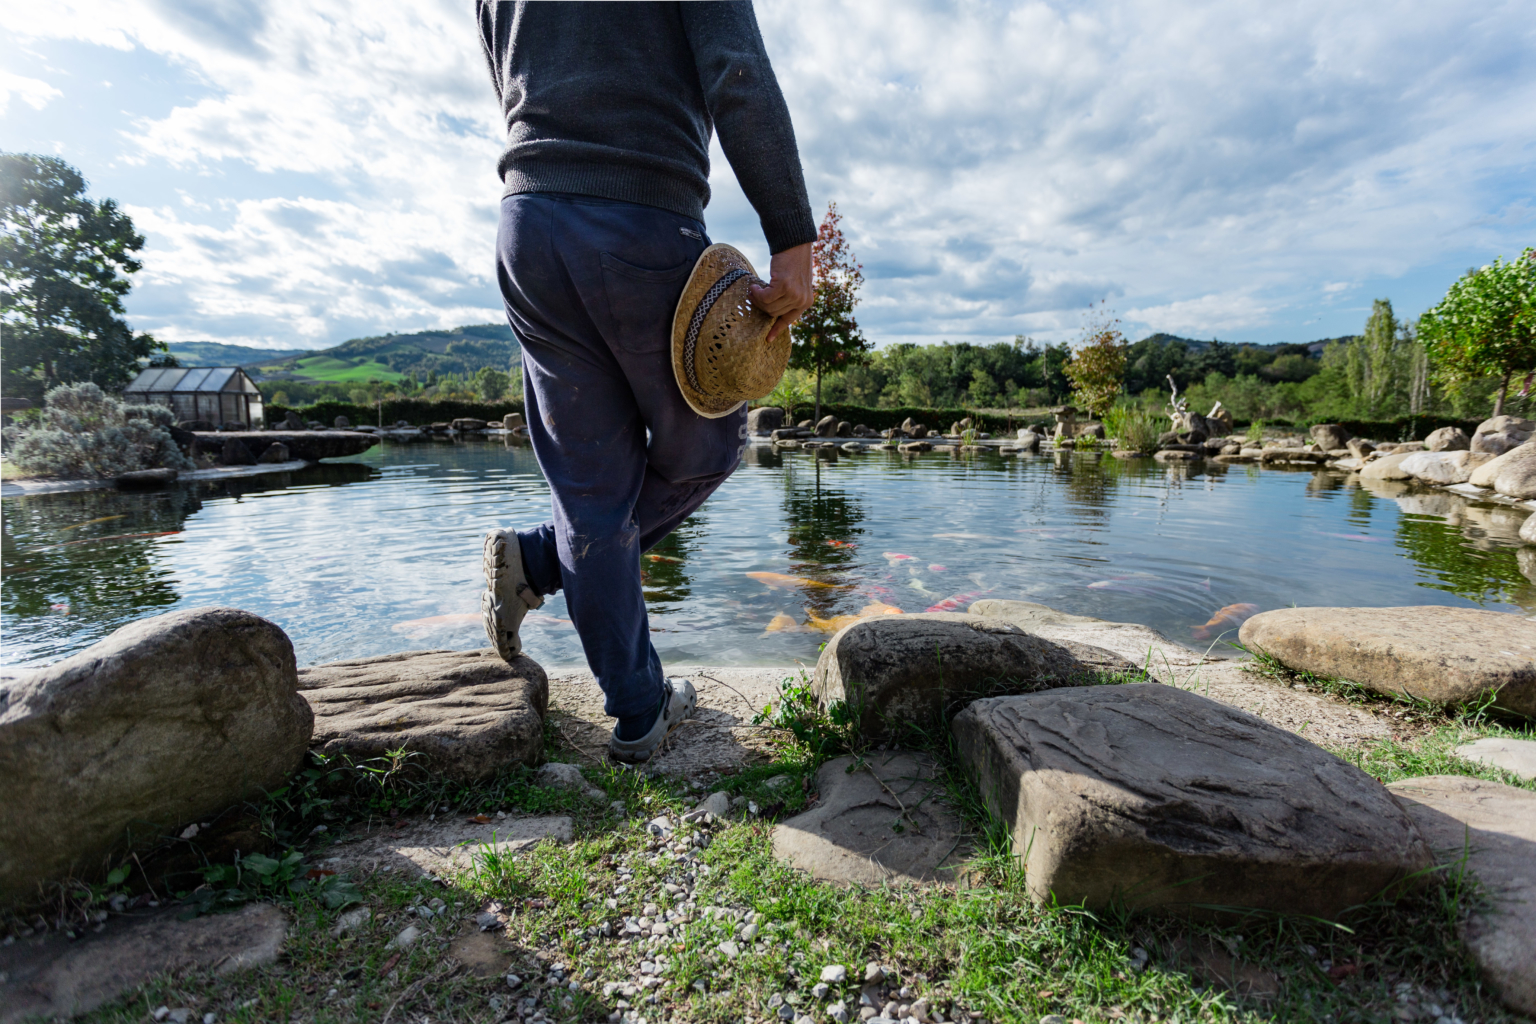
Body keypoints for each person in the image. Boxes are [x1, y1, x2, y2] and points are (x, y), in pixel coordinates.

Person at [475, 2, 815, 763]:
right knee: (708, 447)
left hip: (528, 225)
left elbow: (509, 72)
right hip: (640, 218)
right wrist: (792, 230)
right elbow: (735, 69)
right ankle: (537, 562)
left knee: (592, 495)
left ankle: (637, 710)